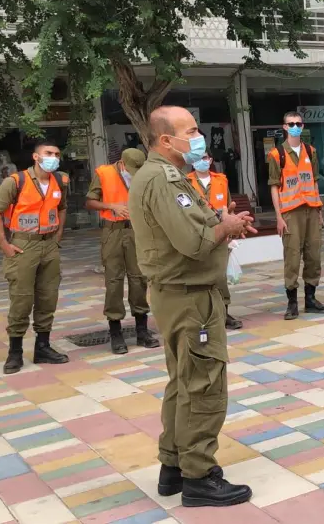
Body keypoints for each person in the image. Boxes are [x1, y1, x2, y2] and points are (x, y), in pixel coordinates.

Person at [129, 106, 255, 507]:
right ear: (166, 140)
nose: (199, 137)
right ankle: (199, 475)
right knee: (203, 385)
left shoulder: (167, 176)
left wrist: (222, 220)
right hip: (188, 296)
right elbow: (196, 244)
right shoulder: (163, 179)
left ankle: (173, 467)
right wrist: (227, 227)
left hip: (180, 294)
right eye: (192, 131)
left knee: (182, 382)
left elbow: (195, 227)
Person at [0, 140, 71, 374]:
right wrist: (4, 244)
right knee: (22, 298)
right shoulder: (15, 181)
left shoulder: (59, 181)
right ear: (36, 157)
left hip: (49, 244)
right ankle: (14, 352)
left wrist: (59, 233)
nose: (53, 157)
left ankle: (42, 347)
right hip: (23, 245)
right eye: (48, 153)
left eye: (56, 154)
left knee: (48, 297)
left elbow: (62, 207)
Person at [85, 149, 159, 354]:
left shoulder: (143, 174)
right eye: (131, 168)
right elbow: (89, 202)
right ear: (121, 163)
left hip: (137, 230)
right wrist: (111, 206)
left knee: (139, 278)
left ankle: (142, 331)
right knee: (114, 280)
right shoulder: (104, 173)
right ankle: (116, 332)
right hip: (113, 230)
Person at [267, 111, 324, 320]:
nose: (295, 126)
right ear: (284, 127)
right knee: (292, 257)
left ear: (303, 127)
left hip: (311, 210)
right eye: (291, 123)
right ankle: (292, 302)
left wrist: (319, 211)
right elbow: (275, 187)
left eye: (298, 123)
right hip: (291, 213)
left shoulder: (311, 151)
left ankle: (311, 299)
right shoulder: (278, 154)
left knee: (314, 255)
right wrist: (278, 216)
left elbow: (313, 182)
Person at [189, 153, 244, 329]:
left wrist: (232, 228)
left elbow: (229, 207)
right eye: (198, 158)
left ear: (211, 160)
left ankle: (224, 312)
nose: (202, 161)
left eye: (205, 158)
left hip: (221, 234)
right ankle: (202, 315)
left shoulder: (221, 180)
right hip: (198, 233)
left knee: (220, 275)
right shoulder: (185, 182)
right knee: (198, 274)